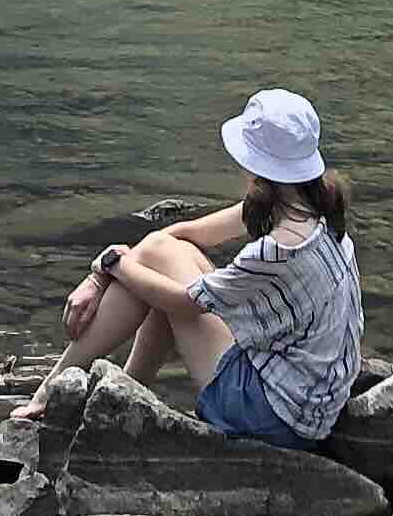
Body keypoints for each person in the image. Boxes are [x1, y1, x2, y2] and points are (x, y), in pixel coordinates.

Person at [22, 87, 364, 448]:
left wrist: (111, 266)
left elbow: (186, 302)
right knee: (160, 259)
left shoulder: (279, 249)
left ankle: (58, 390)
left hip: (273, 417)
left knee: (155, 271)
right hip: (311, 404)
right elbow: (184, 234)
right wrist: (106, 273)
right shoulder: (315, 210)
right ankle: (125, 390)